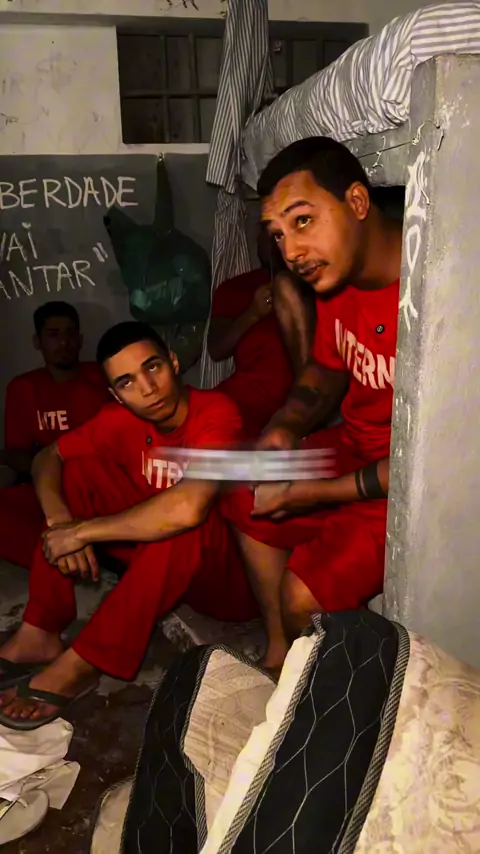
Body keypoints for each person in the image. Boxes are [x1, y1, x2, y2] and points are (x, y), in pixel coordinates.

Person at [0, 321, 257, 729]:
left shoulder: (216, 412)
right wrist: (60, 521)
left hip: (224, 578)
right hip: (153, 560)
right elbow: (47, 457)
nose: (148, 388)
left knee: (183, 518)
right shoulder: (119, 419)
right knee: (77, 473)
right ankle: (39, 631)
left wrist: (79, 532)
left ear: (173, 363)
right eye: (127, 382)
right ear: (116, 395)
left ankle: (80, 666)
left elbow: (189, 507)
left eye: (153, 367)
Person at [222, 136, 403, 673]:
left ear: (357, 201)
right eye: (278, 234)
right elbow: (325, 370)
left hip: (408, 483)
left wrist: (311, 493)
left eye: (303, 221)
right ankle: (281, 654)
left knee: (303, 598)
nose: (291, 252)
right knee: (245, 493)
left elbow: (426, 470)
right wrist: (285, 425)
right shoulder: (337, 282)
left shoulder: (431, 294)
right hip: (355, 446)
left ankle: (331, 694)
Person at [0, 302, 109, 569]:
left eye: (71, 334)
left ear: (80, 339)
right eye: (53, 334)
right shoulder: (24, 387)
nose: (64, 343)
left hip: (99, 485)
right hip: (49, 485)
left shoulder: (101, 376)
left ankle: (82, 555)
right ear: (37, 342)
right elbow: (18, 455)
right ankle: (68, 560)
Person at [207, 232, 294, 438]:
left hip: (297, 403)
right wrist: (253, 314)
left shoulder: (315, 284)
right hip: (246, 402)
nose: (273, 243)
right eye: (267, 232)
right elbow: (216, 349)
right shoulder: (235, 289)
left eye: (279, 235)